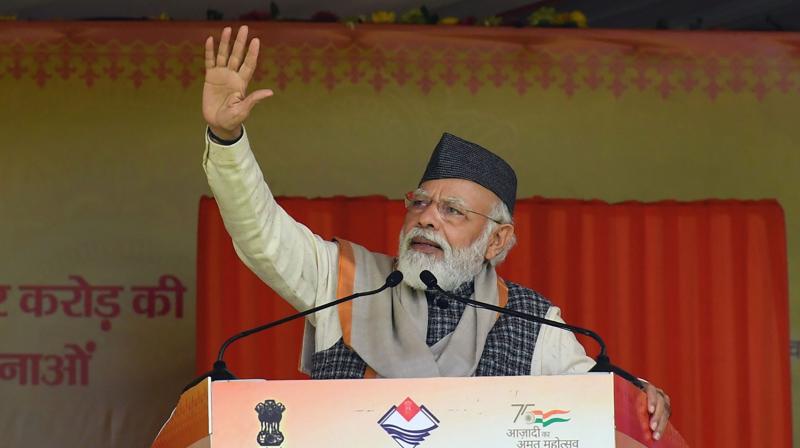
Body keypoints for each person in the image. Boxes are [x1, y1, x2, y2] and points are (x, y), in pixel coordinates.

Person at [201, 26, 672, 439]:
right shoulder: (342, 280)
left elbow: (596, 399)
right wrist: (226, 139)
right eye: (420, 202)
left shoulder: (533, 322)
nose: (427, 218)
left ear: (496, 240)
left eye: (452, 211)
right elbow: (260, 232)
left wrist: (640, 398)